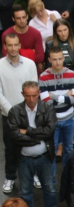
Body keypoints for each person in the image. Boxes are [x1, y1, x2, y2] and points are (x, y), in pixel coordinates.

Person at [8, 81, 60, 207]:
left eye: (34, 95)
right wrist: (38, 138)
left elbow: (49, 131)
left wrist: (28, 131)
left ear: (38, 94)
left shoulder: (48, 108)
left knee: (49, 188)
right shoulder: (14, 111)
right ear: (22, 94)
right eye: (28, 96)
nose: (31, 99)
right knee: (25, 191)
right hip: (24, 159)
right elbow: (14, 136)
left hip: (44, 157)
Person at [0, 33, 38, 194]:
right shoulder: (0, 65)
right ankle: (10, 177)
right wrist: (13, 113)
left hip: (29, 113)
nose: (13, 48)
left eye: (16, 44)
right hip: (8, 115)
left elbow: (34, 88)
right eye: (10, 45)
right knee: (10, 147)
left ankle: (34, 174)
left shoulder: (29, 64)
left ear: (20, 45)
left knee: (31, 145)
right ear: (5, 47)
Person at [45, 18, 74, 152]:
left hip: (72, 83)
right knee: (56, 110)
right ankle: (59, 143)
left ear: (69, 30)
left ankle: (71, 137)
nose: (63, 33)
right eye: (60, 31)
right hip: (55, 83)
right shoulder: (50, 44)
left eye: (65, 30)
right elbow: (47, 66)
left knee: (73, 111)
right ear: (56, 33)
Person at [39, 46, 74, 170]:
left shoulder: (72, 74)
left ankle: (68, 175)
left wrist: (54, 96)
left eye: (60, 59)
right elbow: (46, 102)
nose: (57, 62)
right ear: (49, 60)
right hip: (52, 120)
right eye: (54, 59)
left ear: (64, 58)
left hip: (69, 118)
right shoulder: (43, 77)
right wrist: (65, 96)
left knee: (68, 148)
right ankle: (51, 180)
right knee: (52, 148)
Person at [1, 5, 44, 72]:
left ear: (27, 16)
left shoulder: (36, 33)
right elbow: (7, 56)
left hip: (31, 69)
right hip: (13, 69)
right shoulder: (6, 34)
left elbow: (40, 57)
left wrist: (18, 52)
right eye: (18, 18)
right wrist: (31, 52)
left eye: (24, 17)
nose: (22, 21)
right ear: (13, 19)